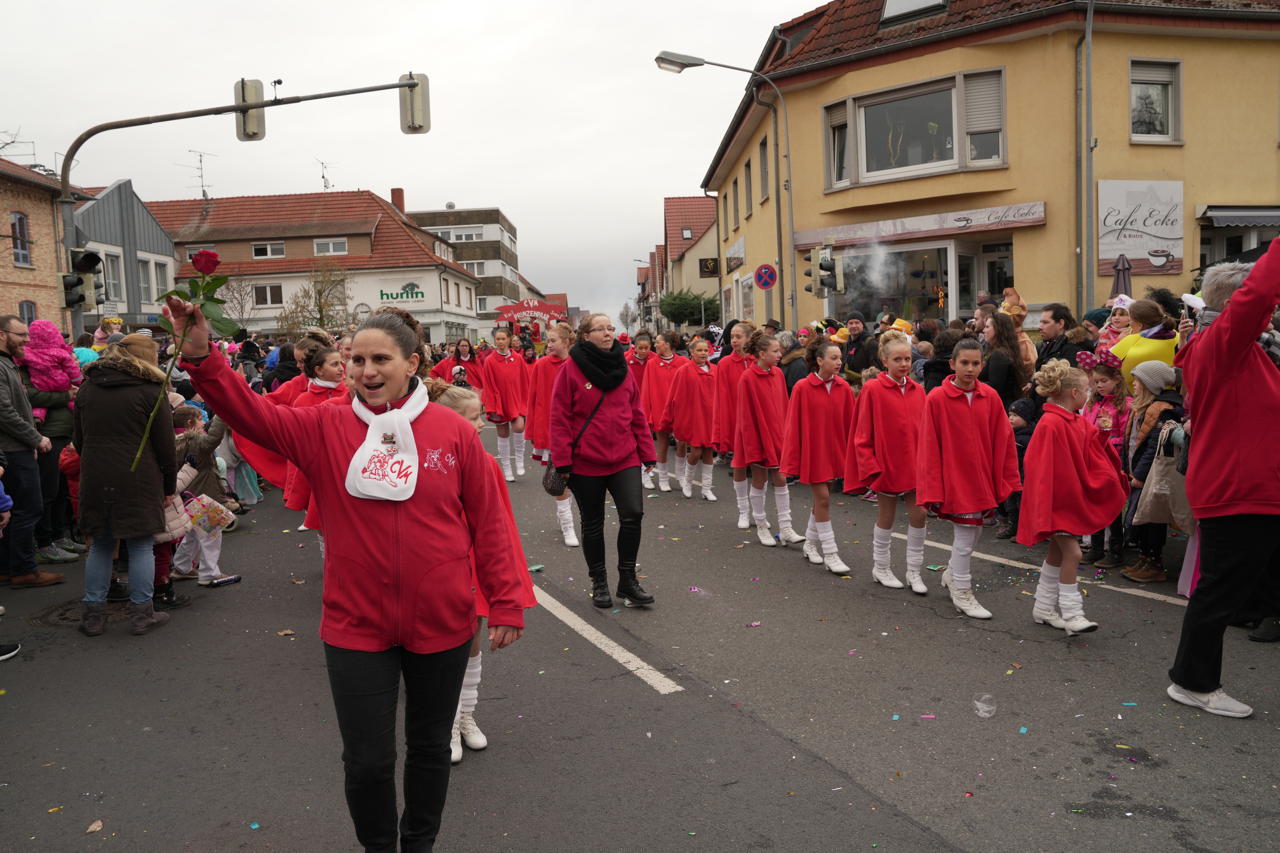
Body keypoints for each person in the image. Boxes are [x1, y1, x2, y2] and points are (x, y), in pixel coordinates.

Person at [167, 296, 527, 850]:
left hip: (443, 620)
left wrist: (504, 601)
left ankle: (420, 845)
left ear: (412, 364)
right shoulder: (323, 426)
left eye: (380, 359)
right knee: (366, 761)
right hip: (355, 624)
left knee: (429, 750)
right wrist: (204, 359)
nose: (366, 371)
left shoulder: (452, 433)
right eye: (356, 360)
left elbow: (490, 523)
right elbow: (253, 415)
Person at [1168, 248, 1280, 718]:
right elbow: (1257, 296)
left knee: (1225, 589)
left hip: (1251, 486)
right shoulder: (1222, 346)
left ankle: (1193, 679)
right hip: (1238, 489)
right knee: (1219, 591)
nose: (1273, 313)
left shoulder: (1236, 350)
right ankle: (1194, 681)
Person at [419, 377, 538, 766]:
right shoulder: (425, 458)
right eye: (473, 418)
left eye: (482, 415)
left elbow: (499, 525)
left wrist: (507, 584)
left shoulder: (485, 463)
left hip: (476, 560)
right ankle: (447, 719)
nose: (482, 424)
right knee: (442, 645)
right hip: (440, 565)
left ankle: (465, 714)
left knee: (472, 637)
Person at [550, 314, 655, 609]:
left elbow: (636, 412)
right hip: (586, 461)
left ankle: (627, 580)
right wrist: (563, 461)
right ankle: (599, 581)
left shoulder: (622, 366)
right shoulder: (571, 370)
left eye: (611, 328)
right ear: (585, 336)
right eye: (600, 329)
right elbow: (559, 418)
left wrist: (647, 452)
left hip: (625, 456)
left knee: (633, 514)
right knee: (593, 523)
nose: (608, 333)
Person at [75, 334, 177, 635]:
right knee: (141, 543)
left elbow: (78, 439)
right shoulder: (151, 390)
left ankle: (93, 615)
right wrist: (168, 486)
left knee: (101, 544)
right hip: (139, 476)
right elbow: (166, 447)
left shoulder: (87, 388)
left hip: (96, 473)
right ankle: (142, 613)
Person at [1016, 360, 1128, 634]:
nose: (1090, 395)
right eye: (1087, 390)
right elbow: (1038, 466)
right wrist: (1044, 505)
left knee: (1057, 553)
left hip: (1066, 499)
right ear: (1075, 394)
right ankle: (1073, 613)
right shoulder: (1051, 423)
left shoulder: (1072, 420)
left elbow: (1088, 449)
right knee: (1074, 553)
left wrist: (1102, 434)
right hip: (1056, 502)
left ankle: (1043, 607)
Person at [916, 338, 1021, 619]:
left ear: (982, 365)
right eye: (964, 363)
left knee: (974, 531)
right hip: (954, 476)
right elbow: (928, 443)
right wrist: (933, 484)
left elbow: (1004, 438)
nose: (970, 369)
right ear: (952, 364)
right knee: (965, 533)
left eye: (976, 363)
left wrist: (1005, 475)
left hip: (981, 475)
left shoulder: (990, 396)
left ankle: (953, 574)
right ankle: (962, 589)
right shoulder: (937, 398)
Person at [848, 329, 929, 593]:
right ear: (885, 361)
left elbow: (925, 431)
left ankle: (914, 571)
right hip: (887, 465)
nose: (904, 364)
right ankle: (881, 567)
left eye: (907, 359)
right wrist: (871, 466)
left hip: (914, 465)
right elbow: (862, 432)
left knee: (919, 516)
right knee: (887, 517)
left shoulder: (918, 390)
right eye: (897, 360)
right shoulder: (872, 389)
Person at [781, 336, 854, 573]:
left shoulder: (843, 388)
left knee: (821, 499)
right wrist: (792, 458)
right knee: (822, 498)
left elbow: (851, 424)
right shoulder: (803, 387)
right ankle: (831, 553)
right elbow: (793, 425)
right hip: (812, 452)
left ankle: (810, 544)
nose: (838, 362)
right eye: (833, 358)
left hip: (834, 451)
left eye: (840, 358)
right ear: (819, 360)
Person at [0, 316, 61, 588]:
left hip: (18, 448)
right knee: (27, 509)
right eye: (21, 334)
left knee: (14, 511)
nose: (27, 340)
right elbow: (4, 411)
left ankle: (9, 568)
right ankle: (24, 570)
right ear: (2, 335)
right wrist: (34, 438)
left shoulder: (8, 364)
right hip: (12, 450)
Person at [18, 321, 85, 564]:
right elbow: (30, 394)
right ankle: (45, 542)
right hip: (48, 434)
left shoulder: (57, 359)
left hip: (64, 431)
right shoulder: (24, 364)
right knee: (48, 489)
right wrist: (65, 395)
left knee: (61, 490)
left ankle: (59, 535)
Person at [734, 329, 805, 548]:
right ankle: (762, 524)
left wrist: (788, 434)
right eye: (775, 351)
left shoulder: (778, 374)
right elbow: (745, 416)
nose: (779, 354)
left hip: (778, 435)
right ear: (762, 354)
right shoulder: (747, 378)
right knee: (759, 479)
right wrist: (751, 444)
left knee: (781, 479)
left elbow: (784, 406)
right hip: (757, 437)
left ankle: (785, 527)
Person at [1121, 361, 1184, 583]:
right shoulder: (1145, 407)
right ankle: (1144, 557)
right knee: (1140, 517)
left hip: (1151, 476)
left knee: (1151, 519)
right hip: (1138, 473)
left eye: (1138, 381)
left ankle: (1153, 562)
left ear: (1150, 384)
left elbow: (1153, 447)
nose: (1134, 384)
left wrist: (1139, 474)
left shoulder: (1164, 411)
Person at [1077, 349, 1131, 569]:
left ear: (1117, 379)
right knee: (1095, 504)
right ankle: (1097, 547)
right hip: (1093, 458)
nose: (1099, 385)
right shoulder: (1092, 403)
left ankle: (1116, 550)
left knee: (1113, 507)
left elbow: (1127, 435)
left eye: (1104, 381)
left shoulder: (1124, 404)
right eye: (1096, 381)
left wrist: (1108, 439)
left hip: (1112, 459)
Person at [528, 323, 580, 546]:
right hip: (552, 430)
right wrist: (534, 429)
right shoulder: (541, 365)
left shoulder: (578, 364)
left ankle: (565, 515)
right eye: (548, 340)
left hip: (576, 428)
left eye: (553, 340)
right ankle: (568, 525)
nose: (548, 345)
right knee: (561, 477)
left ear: (567, 342)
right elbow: (533, 398)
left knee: (576, 478)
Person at [659, 336, 717, 501]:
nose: (703, 353)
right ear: (691, 352)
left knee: (708, 453)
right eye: (699, 350)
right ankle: (688, 482)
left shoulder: (715, 370)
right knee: (696, 451)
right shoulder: (684, 371)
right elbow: (674, 397)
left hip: (710, 418)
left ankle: (706, 488)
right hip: (694, 418)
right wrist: (670, 419)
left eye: (706, 350)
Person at [712, 321, 755, 528]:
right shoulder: (725, 364)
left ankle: (759, 511)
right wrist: (723, 429)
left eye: (739, 336)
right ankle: (743, 511)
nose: (734, 341)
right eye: (732, 337)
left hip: (756, 420)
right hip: (736, 420)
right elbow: (721, 398)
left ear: (749, 338)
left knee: (760, 469)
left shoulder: (760, 361)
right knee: (739, 465)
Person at [641, 331, 689, 492]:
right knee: (662, 445)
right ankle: (663, 478)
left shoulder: (683, 362)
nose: (655, 344)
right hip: (660, 410)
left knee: (681, 444)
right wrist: (647, 412)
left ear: (667, 344)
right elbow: (647, 389)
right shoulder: (652, 364)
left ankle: (681, 476)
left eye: (658, 342)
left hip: (680, 410)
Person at [481, 328, 530, 482]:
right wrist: (492, 404)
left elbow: (524, 381)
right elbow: (488, 383)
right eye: (498, 339)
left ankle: (520, 460)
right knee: (503, 434)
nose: (500, 342)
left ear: (509, 340)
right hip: (499, 402)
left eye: (503, 339)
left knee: (519, 427)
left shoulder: (518, 358)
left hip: (516, 400)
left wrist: (525, 400)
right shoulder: (490, 360)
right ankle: (507, 467)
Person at [1110, 298, 1179, 393]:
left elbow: (1107, 365)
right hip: (1172, 396)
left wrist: (1118, 341)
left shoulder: (1131, 340)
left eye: (1130, 320)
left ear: (1139, 325)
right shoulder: (1177, 336)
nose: (1129, 324)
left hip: (1137, 398)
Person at [979, 313, 1030, 408]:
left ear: (998, 329)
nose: (983, 330)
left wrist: (971, 383)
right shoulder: (1006, 351)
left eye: (987, 327)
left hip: (1001, 407)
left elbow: (995, 386)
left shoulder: (999, 354)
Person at [1036, 303, 1086, 369]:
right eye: (1040, 322)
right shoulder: (1041, 347)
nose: (1039, 327)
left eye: (1045, 322)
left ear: (1060, 324)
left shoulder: (1074, 351)